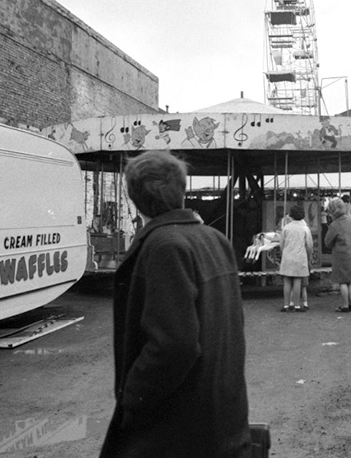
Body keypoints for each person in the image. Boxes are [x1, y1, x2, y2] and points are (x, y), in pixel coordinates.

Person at [100, 151, 250, 458]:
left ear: (134, 197)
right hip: (222, 418)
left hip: (176, 432)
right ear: (182, 189)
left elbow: (174, 345)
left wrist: (133, 398)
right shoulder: (214, 239)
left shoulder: (163, 246)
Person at [324, 198, 351, 312]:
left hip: (341, 255)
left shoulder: (335, 224)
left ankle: (344, 305)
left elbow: (328, 243)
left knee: (342, 282)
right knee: (349, 281)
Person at [279, 204, 313, 313]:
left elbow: (281, 244)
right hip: (300, 257)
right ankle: (297, 306)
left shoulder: (286, 228)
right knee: (298, 281)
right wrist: (309, 256)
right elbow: (309, 245)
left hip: (287, 256)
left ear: (291, 215)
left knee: (287, 282)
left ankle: (286, 305)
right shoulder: (305, 228)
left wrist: (284, 252)